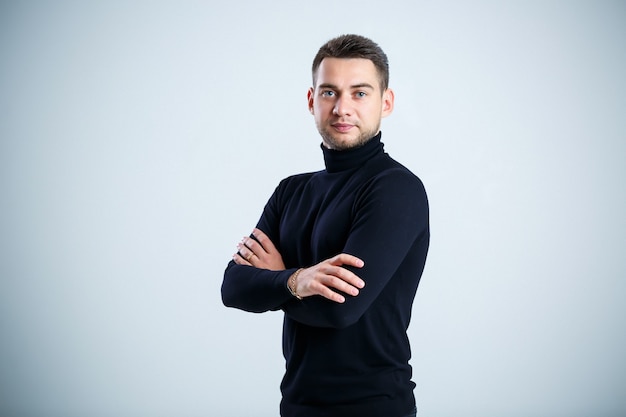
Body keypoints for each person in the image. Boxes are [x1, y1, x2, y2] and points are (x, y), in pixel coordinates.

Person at [221, 34, 429, 417]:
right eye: (330, 92)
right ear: (311, 101)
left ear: (386, 103)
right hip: (297, 405)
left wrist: (277, 279)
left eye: (360, 93)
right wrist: (296, 281)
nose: (342, 108)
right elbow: (233, 287)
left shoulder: (396, 188)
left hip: (374, 407)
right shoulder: (290, 191)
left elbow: (341, 309)